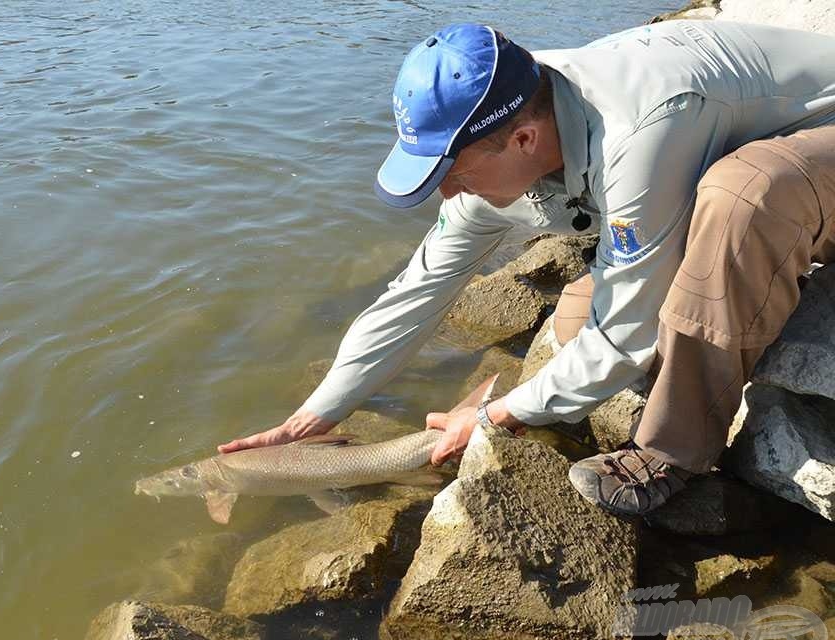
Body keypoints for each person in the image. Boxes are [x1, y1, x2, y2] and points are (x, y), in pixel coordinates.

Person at [219, 20, 835, 516]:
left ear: (523, 142)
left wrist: (491, 416)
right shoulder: (510, 111)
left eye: (451, 172)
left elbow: (623, 335)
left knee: (740, 197)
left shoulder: (636, 130)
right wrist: (313, 418)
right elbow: (416, 293)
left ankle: (670, 453)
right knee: (572, 325)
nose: (446, 194)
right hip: (758, 154)